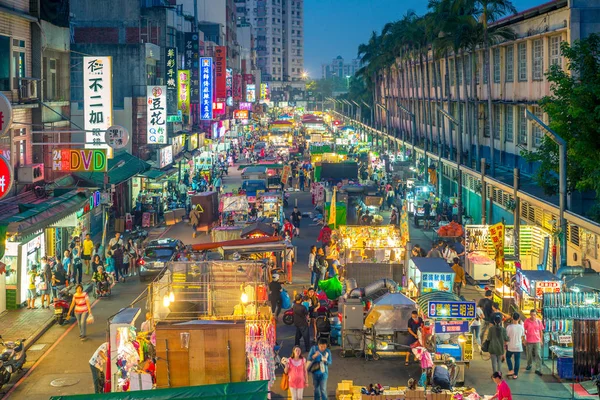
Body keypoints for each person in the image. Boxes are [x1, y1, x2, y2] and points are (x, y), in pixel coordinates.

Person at [523, 309, 544, 376]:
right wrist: (524, 339)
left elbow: (541, 331)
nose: (533, 316)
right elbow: (524, 330)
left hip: (537, 340)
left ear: (536, 315)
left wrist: (541, 340)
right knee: (529, 354)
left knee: (538, 354)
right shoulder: (526, 321)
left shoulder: (539, 321)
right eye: (531, 315)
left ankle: (538, 368)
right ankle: (529, 364)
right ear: (530, 315)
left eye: (534, 315)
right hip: (529, 340)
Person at [506, 312, 525, 380]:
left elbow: (507, 337)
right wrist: (522, 341)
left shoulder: (509, 327)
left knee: (508, 357)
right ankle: (515, 375)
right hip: (518, 346)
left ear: (512, 318)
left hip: (510, 346)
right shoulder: (521, 327)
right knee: (517, 360)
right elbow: (523, 337)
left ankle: (511, 370)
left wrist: (505, 344)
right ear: (519, 318)